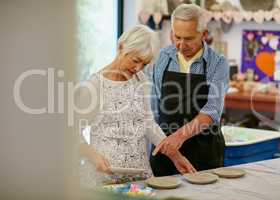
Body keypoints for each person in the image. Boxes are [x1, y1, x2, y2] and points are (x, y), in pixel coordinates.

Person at [78, 25, 196, 187]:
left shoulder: (141, 81)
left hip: (139, 177)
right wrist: (92, 155)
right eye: (135, 61)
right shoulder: (94, 86)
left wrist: (176, 156)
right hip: (104, 178)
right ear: (121, 48)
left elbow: (148, 123)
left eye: (144, 64)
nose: (138, 68)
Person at [150, 4, 229, 176]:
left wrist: (178, 137)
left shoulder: (218, 63)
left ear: (204, 34)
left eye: (189, 38)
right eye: (177, 37)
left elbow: (212, 110)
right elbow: (154, 106)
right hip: (165, 152)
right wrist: (167, 146)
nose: (181, 45)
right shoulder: (163, 58)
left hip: (204, 152)